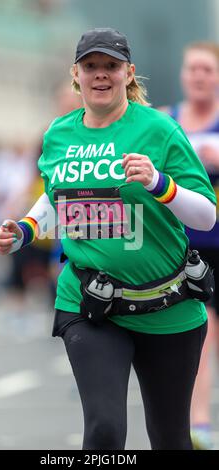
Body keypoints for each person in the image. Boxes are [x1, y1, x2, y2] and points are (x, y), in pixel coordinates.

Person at [0, 28, 217, 450]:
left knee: (170, 438)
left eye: (110, 66)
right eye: (90, 66)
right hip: (90, 301)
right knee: (105, 430)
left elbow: (205, 216)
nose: (100, 75)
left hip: (165, 304)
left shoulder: (160, 130)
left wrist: (159, 184)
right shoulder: (59, 134)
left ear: (128, 73)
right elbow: (56, 198)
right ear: (75, 75)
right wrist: (23, 230)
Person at [160, 41, 219, 450]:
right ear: (182, 74)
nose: (198, 76)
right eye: (192, 69)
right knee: (202, 329)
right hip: (182, 244)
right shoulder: (166, 121)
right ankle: (198, 421)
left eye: (207, 70)